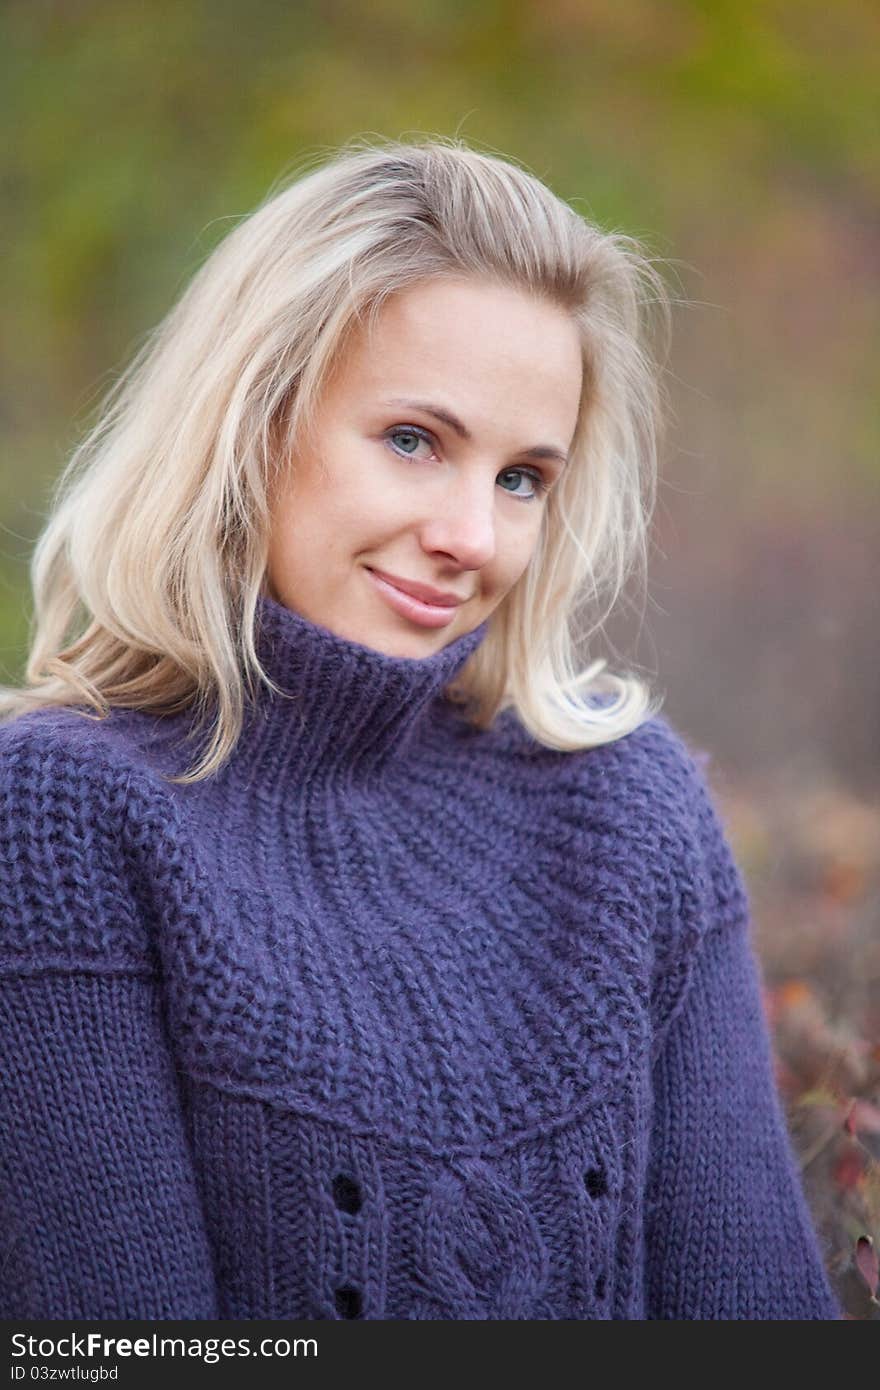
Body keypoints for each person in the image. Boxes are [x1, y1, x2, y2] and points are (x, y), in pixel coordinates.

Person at [0, 136, 841, 1320]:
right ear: (252, 421)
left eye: (522, 478)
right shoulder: (67, 813)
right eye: (414, 441)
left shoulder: (625, 806)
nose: (473, 536)